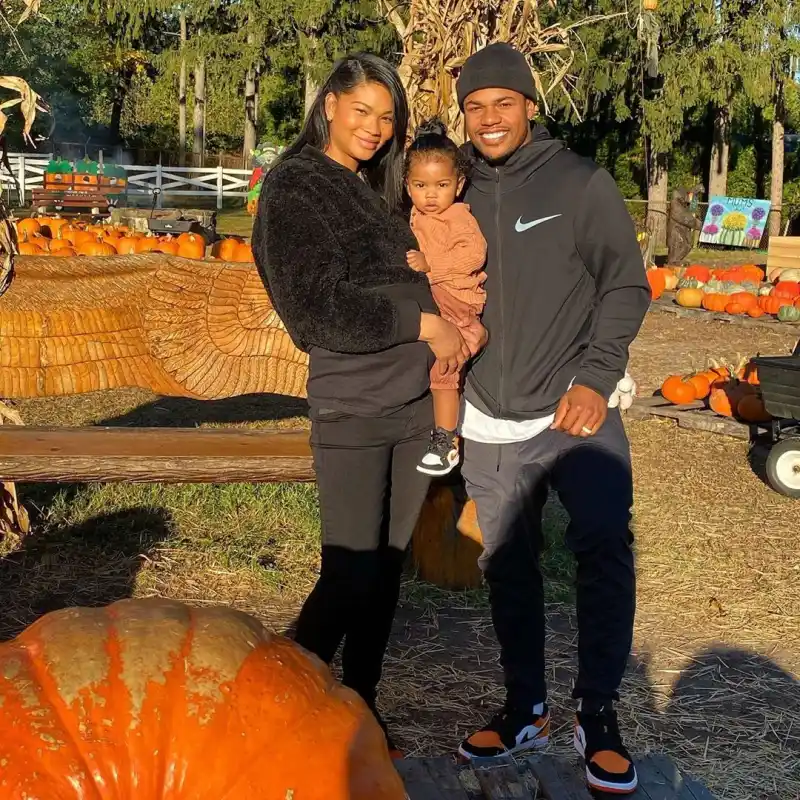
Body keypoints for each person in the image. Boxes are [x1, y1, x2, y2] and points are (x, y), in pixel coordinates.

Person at [251, 53, 477, 756]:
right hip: (354, 406)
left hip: (413, 408)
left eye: (388, 117)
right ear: (328, 107)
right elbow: (314, 312)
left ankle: (361, 710)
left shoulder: (375, 188)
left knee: (383, 569)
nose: (377, 128)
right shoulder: (296, 188)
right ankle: (280, 710)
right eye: (362, 112)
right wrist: (422, 325)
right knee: (349, 569)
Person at [451, 43, 651, 796]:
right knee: (505, 562)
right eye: (475, 105)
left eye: (503, 101)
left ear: (531, 106)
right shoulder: (456, 188)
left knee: (603, 544)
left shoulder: (579, 182)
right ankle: (524, 703)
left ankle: (597, 710)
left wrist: (597, 379)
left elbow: (625, 285)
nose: (489, 117)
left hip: (574, 407)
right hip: (488, 418)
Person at [404, 118, 488, 476]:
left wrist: (429, 265)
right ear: (408, 186)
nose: (431, 195)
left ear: (459, 184)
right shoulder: (414, 216)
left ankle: (446, 440)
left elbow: (474, 254)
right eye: (421, 185)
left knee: (445, 366)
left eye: (442, 185)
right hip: (435, 298)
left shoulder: (458, 216)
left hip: (457, 300)